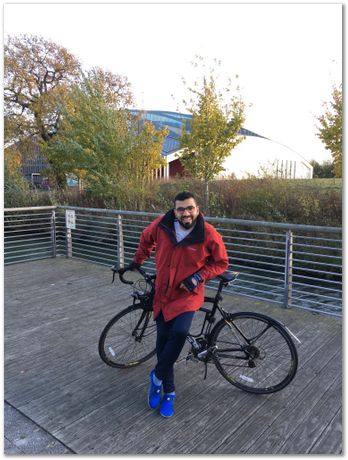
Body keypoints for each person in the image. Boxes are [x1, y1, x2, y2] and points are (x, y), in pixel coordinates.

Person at [128, 191, 228, 417]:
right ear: (175, 211)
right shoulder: (162, 225)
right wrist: (137, 261)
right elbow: (146, 239)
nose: (186, 213)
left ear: (197, 208)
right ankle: (169, 392)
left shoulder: (208, 233)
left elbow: (221, 262)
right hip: (163, 294)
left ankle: (157, 376)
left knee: (180, 333)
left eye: (190, 208)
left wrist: (197, 278)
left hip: (187, 294)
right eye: (181, 209)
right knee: (163, 342)